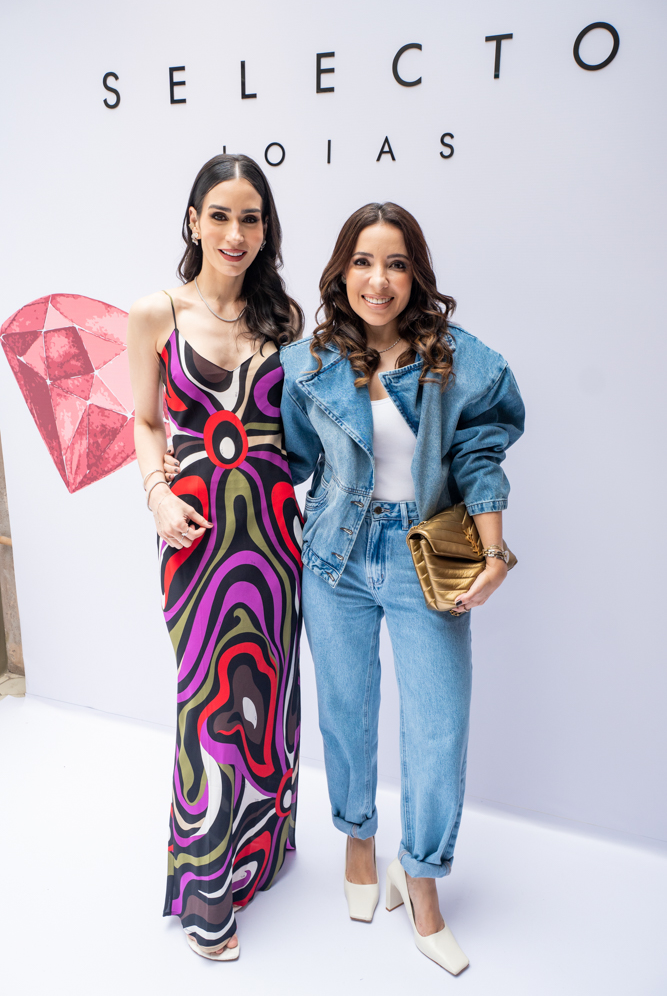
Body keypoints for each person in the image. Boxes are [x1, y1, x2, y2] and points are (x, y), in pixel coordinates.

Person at [280, 202, 524, 975]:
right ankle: (358, 841)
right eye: (362, 261)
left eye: (394, 263)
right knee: (345, 714)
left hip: (427, 557)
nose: (377, 280)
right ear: (340, 272)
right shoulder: (307, 363)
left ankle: (420, 877)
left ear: (415, 273)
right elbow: (283, 459)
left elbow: (480, 455)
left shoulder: (459, 361)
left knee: (437, 727)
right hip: (335, 557)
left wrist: (493, 552)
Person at [127, 154, 303, 961]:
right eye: (221, 215)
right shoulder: (155, 312)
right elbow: (144, 421)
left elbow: (299, 433)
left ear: (266, 230)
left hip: (274, 535)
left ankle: (259, 851)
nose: (236, 233)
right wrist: (157, 495)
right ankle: (205, 888)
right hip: (194, 535)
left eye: (251, 218)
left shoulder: (282, 319)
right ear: (194, 220)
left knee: (268, 695)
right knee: (207, 702)